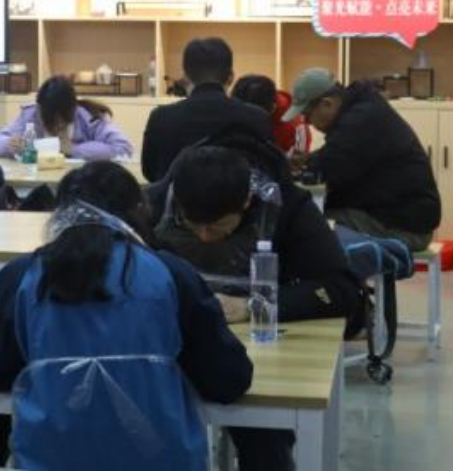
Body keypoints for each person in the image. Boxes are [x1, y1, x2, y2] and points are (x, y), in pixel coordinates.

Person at [0, 186, 253, 469]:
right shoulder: (170, 274)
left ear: (58, 215)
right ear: (138, 212)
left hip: (50, 461)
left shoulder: (21, 276)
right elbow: (229, 381)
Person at [146, 141, 362, 471]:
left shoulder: (288, 207)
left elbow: (342, 290)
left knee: (262, 431)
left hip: (256, 344)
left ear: (246, 201)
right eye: (193, 224)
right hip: (171, 341)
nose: (204, 237)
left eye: (218, 225)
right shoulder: (155, 202)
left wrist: (253, 306)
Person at [284, 68, 440, 252]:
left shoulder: (360, 120)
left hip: (404, 227)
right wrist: (308, 161)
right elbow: (336, 156)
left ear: (327, 103)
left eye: (308, 115)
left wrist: (303, 166)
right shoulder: (361, 109)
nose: (307, 123)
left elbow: (328, 168)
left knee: (307, 223)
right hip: (397, 216)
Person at [141, 37, 272, 182]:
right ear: (231, 77)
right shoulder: (257, 117)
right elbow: (267, 172)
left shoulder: (161, 117)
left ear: (185, 77)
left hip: (177, 195)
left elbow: (149, 171)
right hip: (237, 196)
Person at [0, 76, 132, 162]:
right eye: (51, 118)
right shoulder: (31, 114)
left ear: (72, 109)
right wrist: (8, 144)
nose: (57, 125)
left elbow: (123, 148)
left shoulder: (87, 117)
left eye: (61, 119)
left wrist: (73, 149)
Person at [232, 74, 312, 154]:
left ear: (272, 108)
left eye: (251, 115)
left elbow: (298, 159)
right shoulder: (237, 109)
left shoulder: (296, 126)